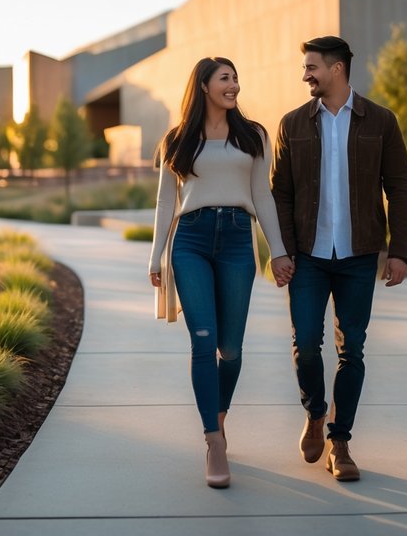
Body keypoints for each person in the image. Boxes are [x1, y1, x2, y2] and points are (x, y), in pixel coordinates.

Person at [269, 35, 407, 482]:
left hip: (358, 255)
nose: (305, 75)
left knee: (352, 349)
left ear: (337, 69)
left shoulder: (381, 121)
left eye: (311, 67)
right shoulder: (292, 124)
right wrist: (281, 251)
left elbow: (400, 189)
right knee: (306, 345)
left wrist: (400, 251)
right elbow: (281, 194)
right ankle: (315, 412)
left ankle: (340, 441)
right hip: (309, 257)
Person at [149, 56, 290, 489]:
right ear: (205, 86)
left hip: (235, 241)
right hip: (190, 241)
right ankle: (214, 440)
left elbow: (262, 195)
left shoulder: (253, 135)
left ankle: (219, 415)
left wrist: (279, 251)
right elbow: (165, 202)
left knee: (230, 349)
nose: (234, 85)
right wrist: (155, 256)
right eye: (226, 79)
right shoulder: (177, 139)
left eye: (236, 78)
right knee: (203, 339)